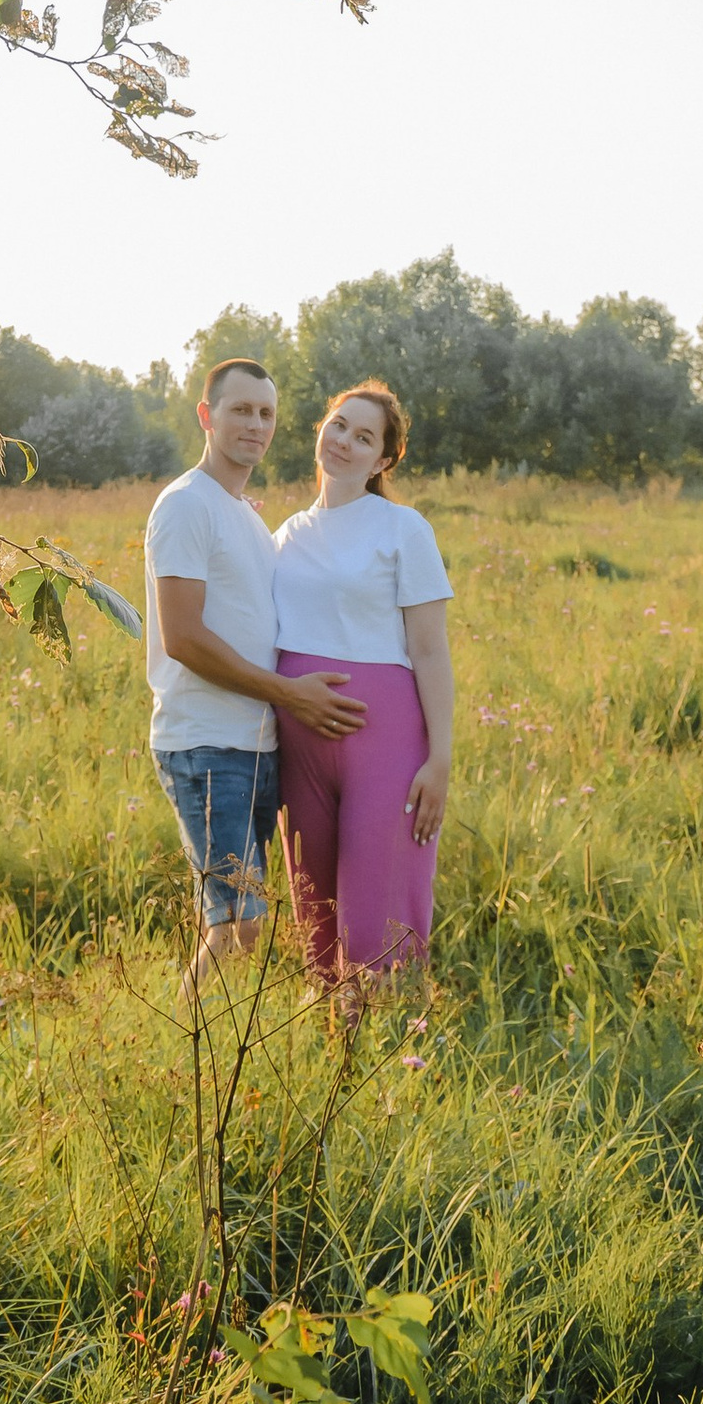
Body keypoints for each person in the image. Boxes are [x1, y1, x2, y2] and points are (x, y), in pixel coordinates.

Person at [144, 357, 368, 990]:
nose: (256, 424)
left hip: (257, 742)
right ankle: (181, 1045)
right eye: (241, 410)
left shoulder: (240, 511)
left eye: (266, 413)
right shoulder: (186, 505)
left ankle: (207, 1050)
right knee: (236, 922)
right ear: (207, 417)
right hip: (207, 743)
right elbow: (184, 637)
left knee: (242, 918)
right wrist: (288, 695)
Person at [271, 380, 454, 1001]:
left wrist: (441, 756)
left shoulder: (403, 529)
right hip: (299, 742)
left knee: (377, 907)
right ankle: (328, 1036)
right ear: (321, 428)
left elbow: (429, 648)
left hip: (386, 739)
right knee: (312, 900)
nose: (344, 440)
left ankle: (392, 1040)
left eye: (363, 435)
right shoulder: (285, 534)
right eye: (338, 424)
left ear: (383, 460)